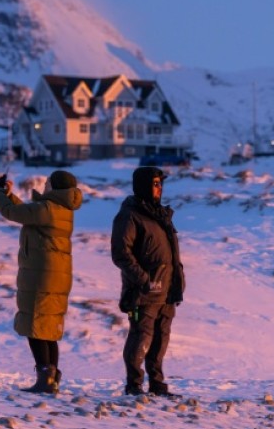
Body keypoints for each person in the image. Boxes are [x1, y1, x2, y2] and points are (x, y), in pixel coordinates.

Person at [0, 170, 82, 394]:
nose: (46, 187)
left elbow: (12, 212)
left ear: (55, 187)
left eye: (49, 183)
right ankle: (52, 378)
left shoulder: (48, 209)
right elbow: (26, 212)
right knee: (48, 328)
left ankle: (45, 378)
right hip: (55, 276)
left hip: (42, 276)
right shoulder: (60, 210)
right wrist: (10, 195)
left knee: (35, 325)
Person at [111, 166, 185, 397]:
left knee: (161, 340)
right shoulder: (130, 215)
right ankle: (134, 385)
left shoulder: (161, 216)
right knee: (140, 337)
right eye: (155, 183)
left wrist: (177, 282)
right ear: (143, 186)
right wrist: (144, 280)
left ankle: (157, 384)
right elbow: (121, 253)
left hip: (167, 291)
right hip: (144, 292)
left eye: (160, 184)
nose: (159, 188)